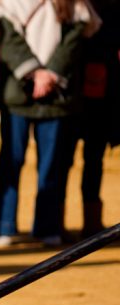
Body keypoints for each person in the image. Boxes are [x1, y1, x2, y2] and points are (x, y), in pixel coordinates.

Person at [0, 0, 101, 248]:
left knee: (52, 163)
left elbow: (74, 41)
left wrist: (51, 74)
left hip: (57, 94)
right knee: (11, 159)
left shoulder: (74, 3)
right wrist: (36, 72)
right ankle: (3, 226)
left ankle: (47, 226)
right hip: (17, 91)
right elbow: (7, 40)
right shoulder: (8, 3)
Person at [59, 0, 118, 239]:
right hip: (70, 94)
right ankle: (57, 222)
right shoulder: (66, 5)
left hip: (98, 97)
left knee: (91, 160)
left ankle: (90, 223)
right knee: (65, 161)